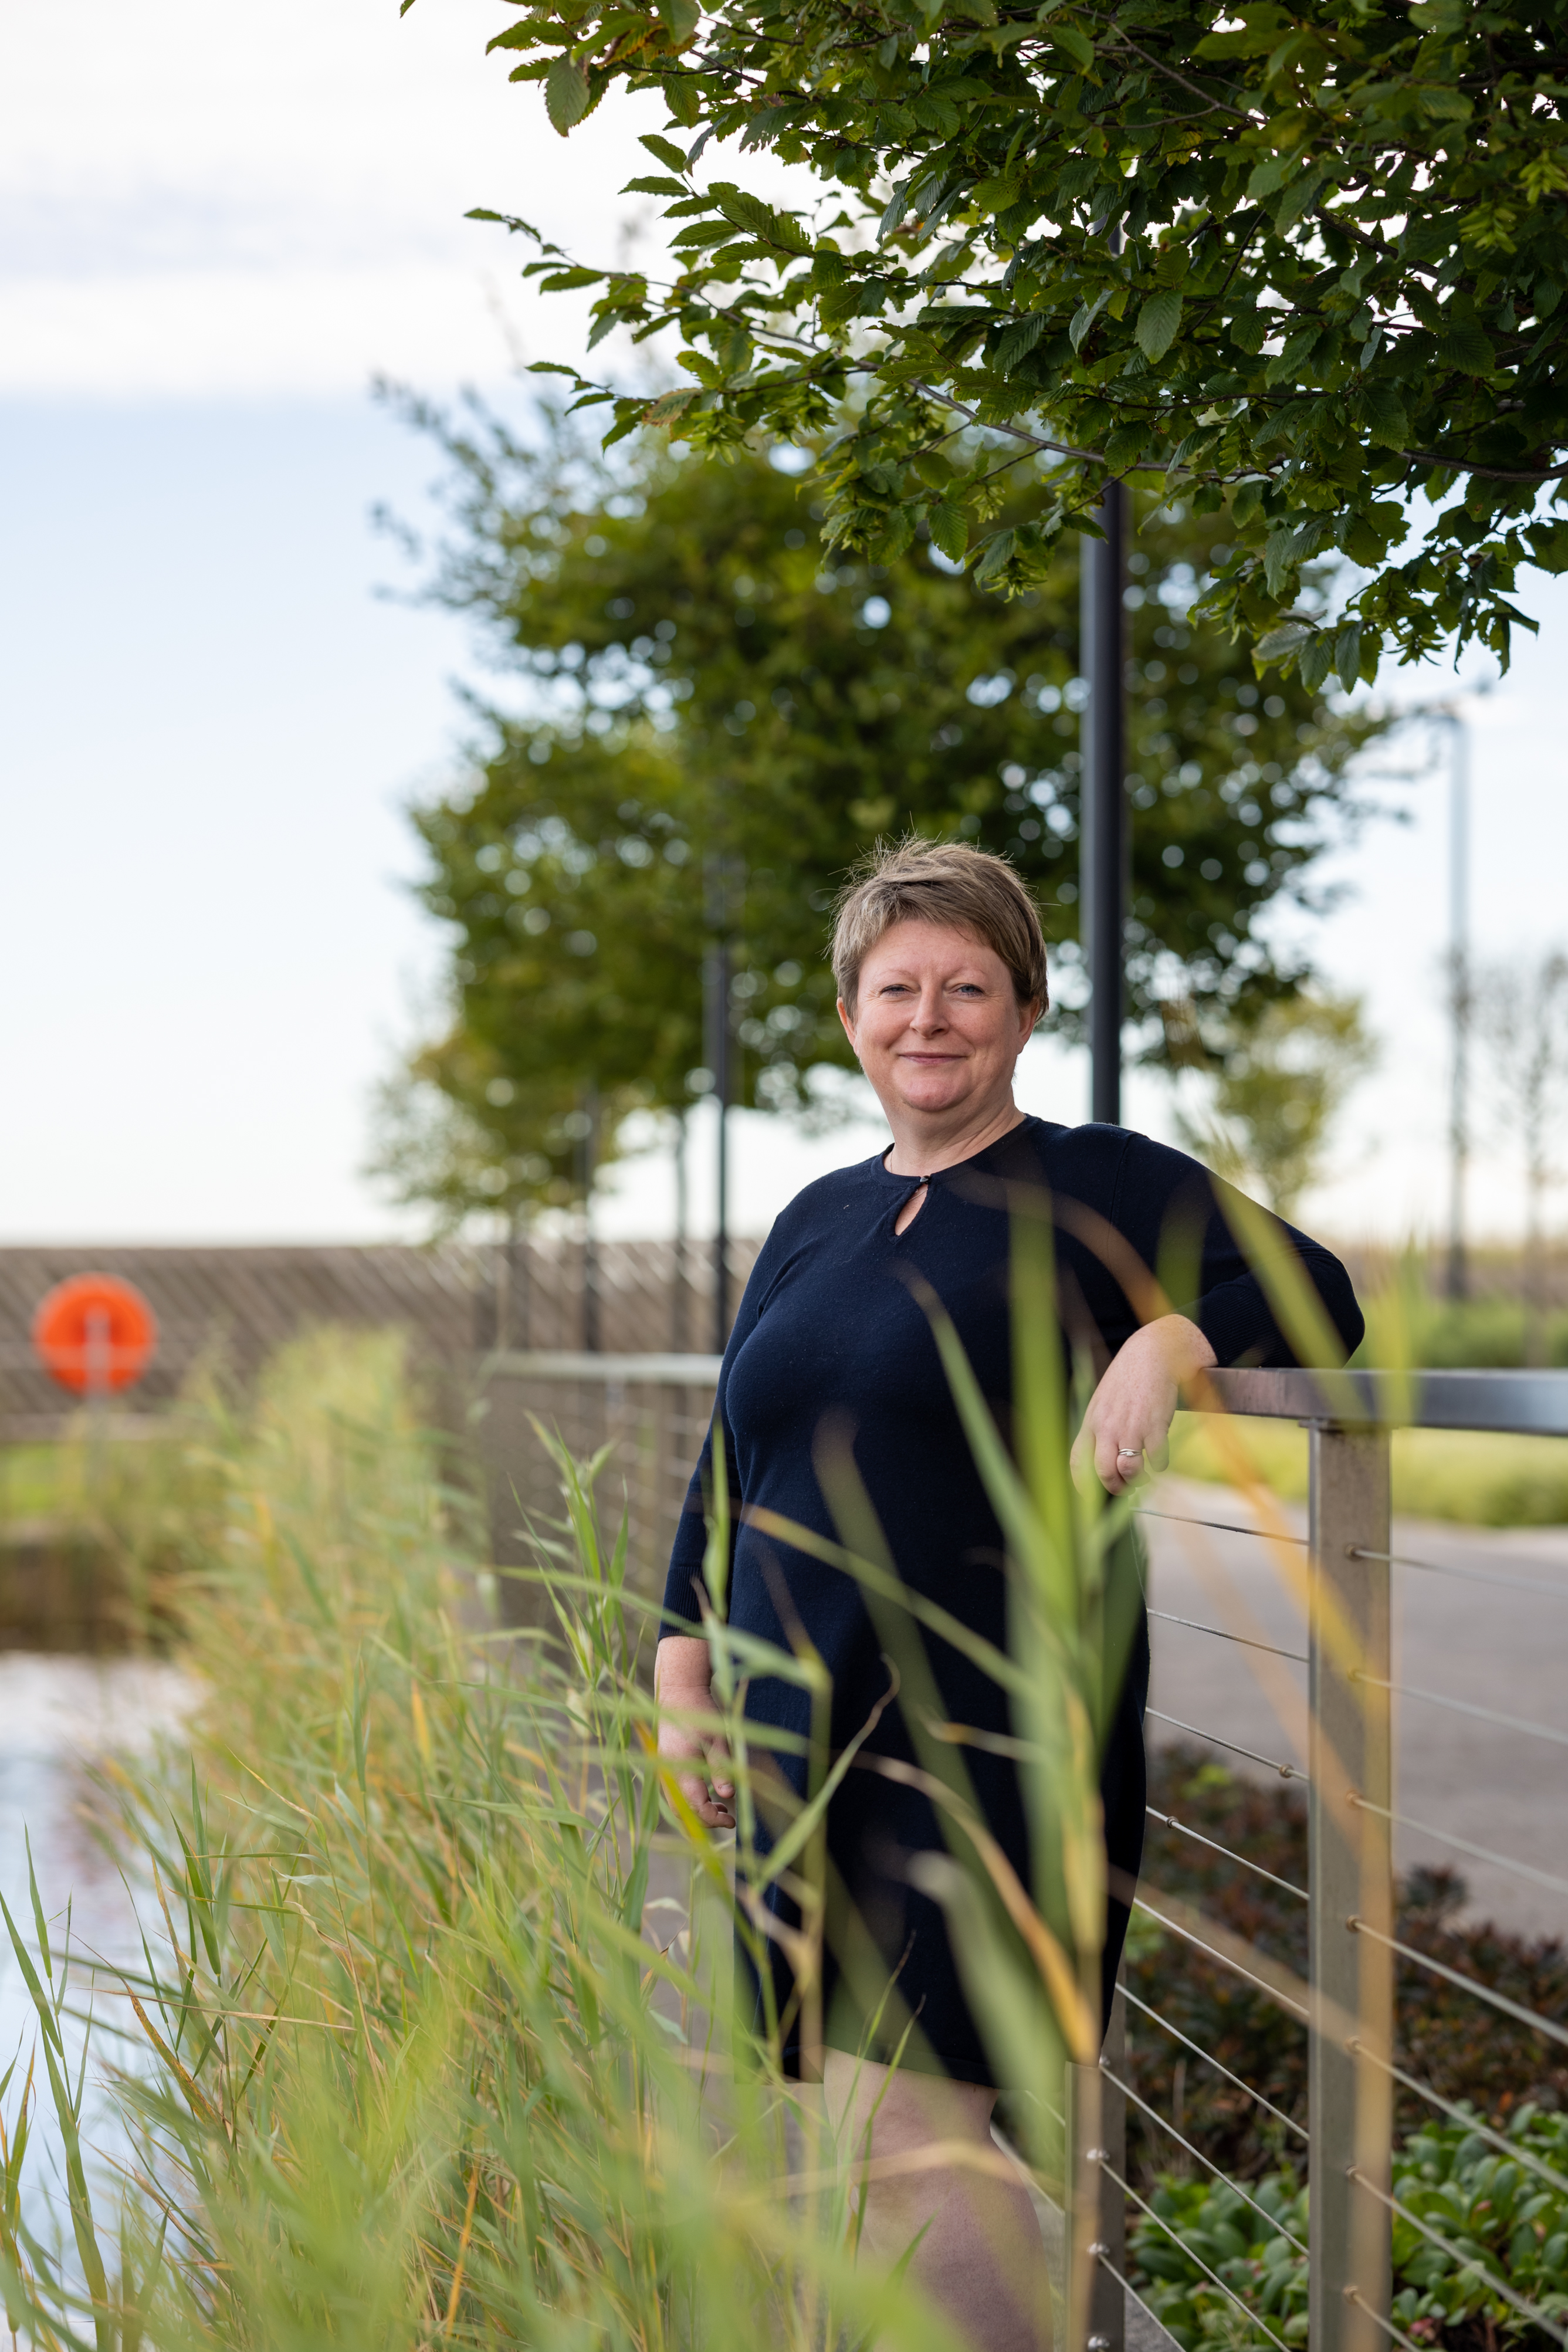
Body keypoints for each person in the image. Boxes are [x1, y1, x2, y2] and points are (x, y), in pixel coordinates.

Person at [655, 838, 1363, 2351]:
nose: (932, 1016)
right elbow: (734, 1458)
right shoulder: (814, 1220)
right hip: (798, 1733)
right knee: (854, 2138)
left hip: (980, 1731)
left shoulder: (1103, 1180)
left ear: (1026, 1007)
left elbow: (1317, 1293)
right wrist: (679, 1671)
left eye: (969, 985)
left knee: (910, 2135)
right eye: (897, 987)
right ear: (850, 1016)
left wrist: (1171, 1346)